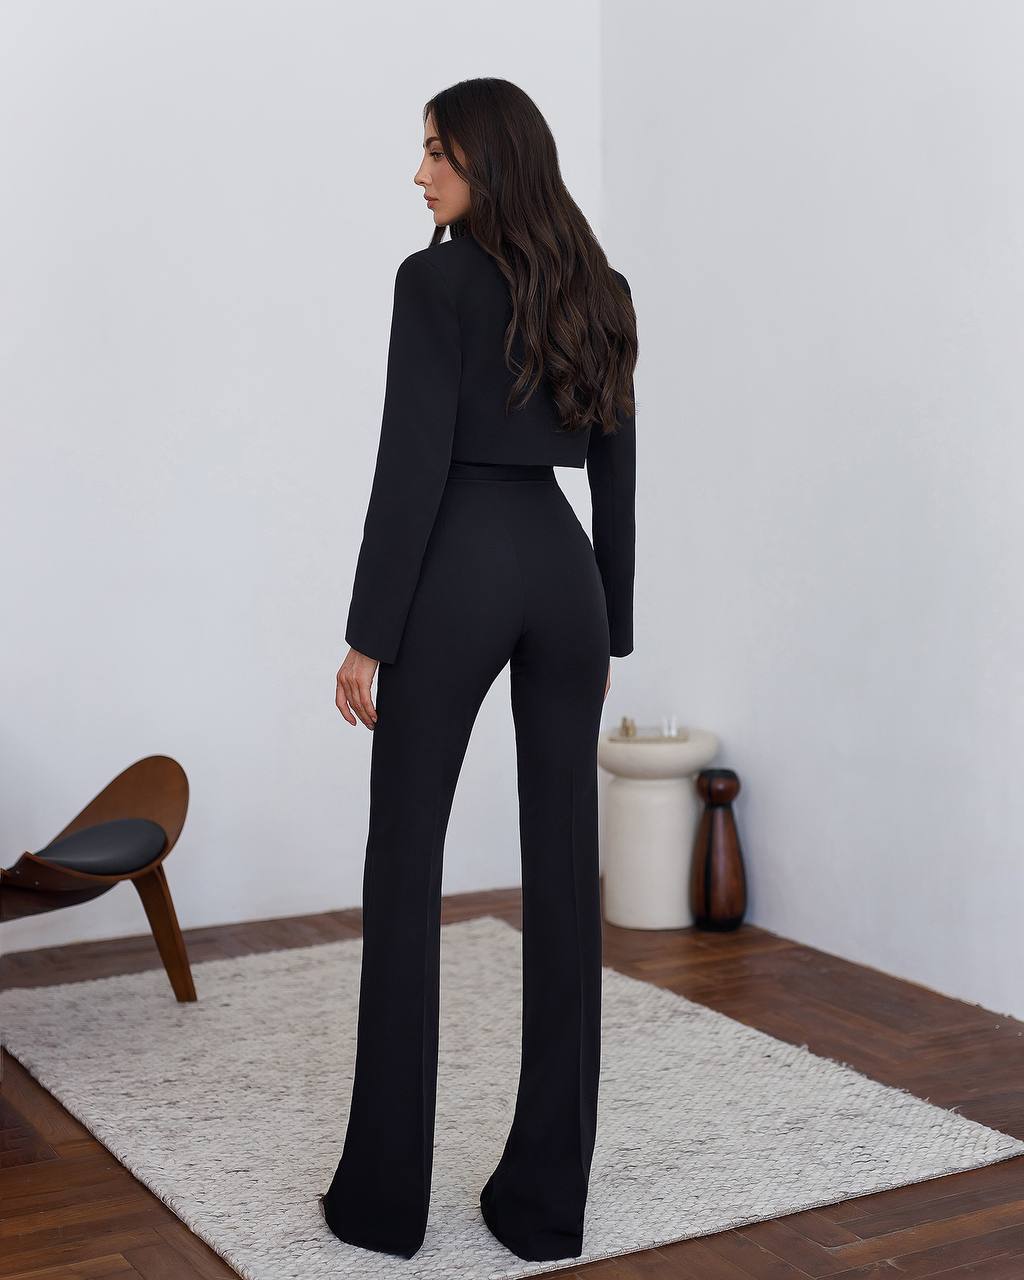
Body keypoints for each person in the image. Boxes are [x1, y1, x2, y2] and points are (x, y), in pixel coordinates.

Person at [319, 76, 637, 1264]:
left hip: (457, 569)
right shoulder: (595, 290)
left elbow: (411, 460)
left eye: (437, 154)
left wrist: (369, 631)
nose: (419, 176)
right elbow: (616, 474)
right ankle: (544, 1203)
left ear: (487, 163)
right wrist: (609, 627)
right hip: (563, 578)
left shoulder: (434, 280)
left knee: (405, 865)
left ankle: (382, 1201)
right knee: (564, 879)